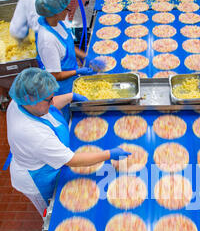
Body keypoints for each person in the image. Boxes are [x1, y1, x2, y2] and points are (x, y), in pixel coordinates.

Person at [6, 68, 130, 216]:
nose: (52, 101)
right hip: (39, 176)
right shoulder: (34, 134)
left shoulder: (21, 101)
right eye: (49, 99)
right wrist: (109, 154)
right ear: (32, 101)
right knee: (54, 210)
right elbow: (72, 160)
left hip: (41, 154)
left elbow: (47, 104)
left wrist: (71, 96)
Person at [35, 0, 104, 120]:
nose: (68, 11)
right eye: (65, 9)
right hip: (60, 86)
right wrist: (78, 71)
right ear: (55, 13)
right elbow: (54, 75)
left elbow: (68, 46)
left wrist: (86, 56)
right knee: (66, 115)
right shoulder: (47, 40)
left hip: (70, 76)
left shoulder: (58, 22)